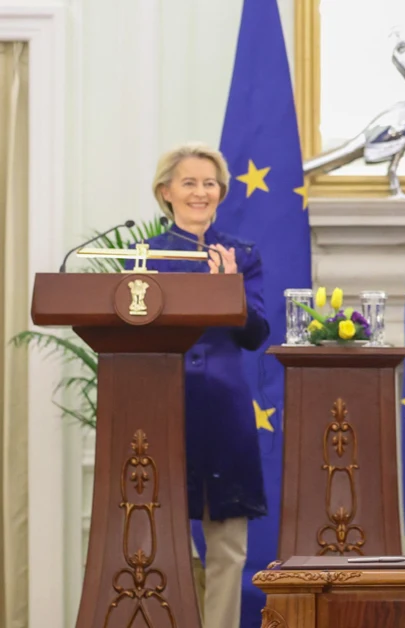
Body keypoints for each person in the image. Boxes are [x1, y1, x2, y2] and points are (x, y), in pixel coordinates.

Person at [133, 143, 271, 627]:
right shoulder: (142, 258)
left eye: (209, 183)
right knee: (161, 536)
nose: (200, 192)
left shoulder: (241, 255)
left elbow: (255, 335)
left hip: (225, 407)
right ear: (165, 192)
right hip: (164, 406)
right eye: (189, 182)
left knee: (228, 544)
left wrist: (230, 288)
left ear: (221, 192)